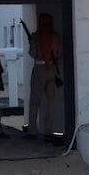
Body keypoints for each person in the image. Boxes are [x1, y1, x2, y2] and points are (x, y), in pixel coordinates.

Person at [22, 12, 62, 140]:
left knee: (34, 102)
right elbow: (57, 54)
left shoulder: (36, 36)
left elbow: (32, 53)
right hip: (51, 70)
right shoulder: (55, 36)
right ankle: (48, 131)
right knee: (51, 102)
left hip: (39, 69)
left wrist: (32, 42)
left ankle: (32, 130)